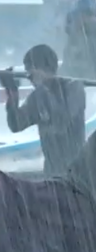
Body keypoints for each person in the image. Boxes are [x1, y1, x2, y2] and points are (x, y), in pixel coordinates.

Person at [1, 44, 86, 175]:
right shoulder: (37, 96)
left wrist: (42, 87)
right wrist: (12, 92)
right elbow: (16, 124)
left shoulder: (73, 88)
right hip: (52, 169)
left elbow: (62, 121)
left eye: (32, 72)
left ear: (46, 68)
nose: (30, 79)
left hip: (77, 167)